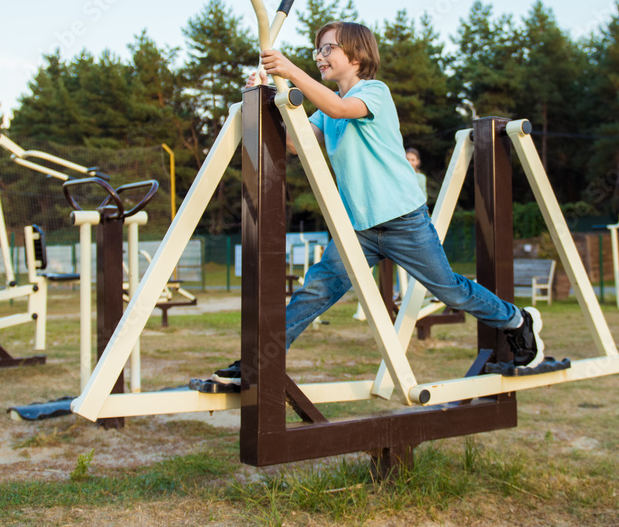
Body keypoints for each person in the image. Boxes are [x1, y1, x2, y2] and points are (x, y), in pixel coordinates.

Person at [207, 21, 546, 389]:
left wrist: (289, 70)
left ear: (357, 56)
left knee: (449, 289)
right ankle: (258, 364)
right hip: (357, 227)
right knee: (315, 290)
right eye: (317, 50)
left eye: (328, 49)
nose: (320, 56)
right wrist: (267, 100)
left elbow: (339, 108)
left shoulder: (374, 92)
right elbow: (294, 143)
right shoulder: (323, 111)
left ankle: (517, 321)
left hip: (403, 220)